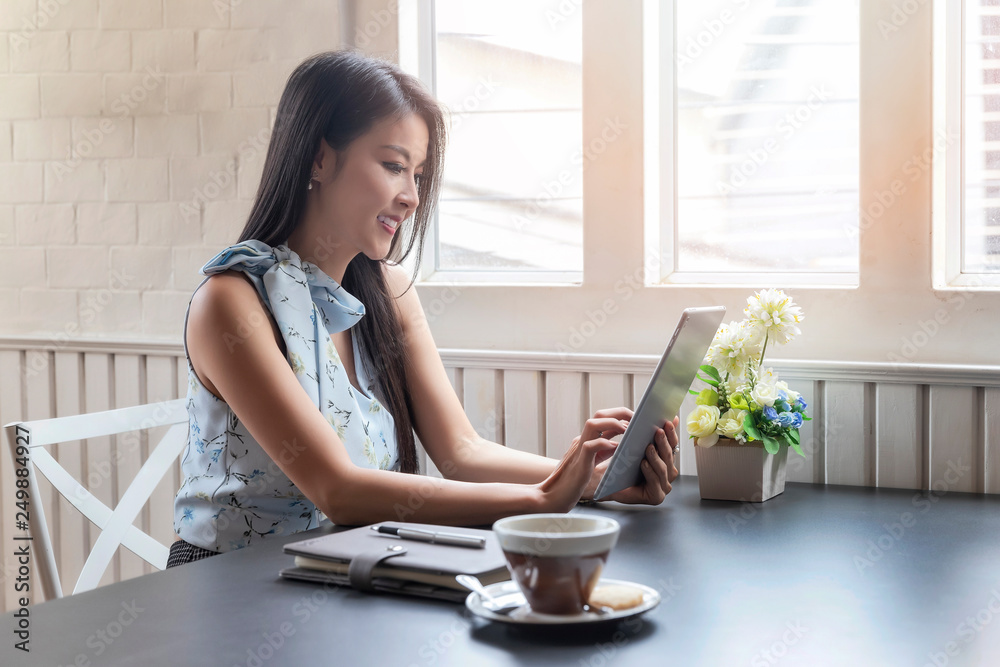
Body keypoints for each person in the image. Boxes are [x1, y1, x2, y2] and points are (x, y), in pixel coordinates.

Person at [168, 50, 679, 567]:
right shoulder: (232, 301)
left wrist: (590, 481)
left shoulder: (389, 293)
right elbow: (336, 490)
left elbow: (462, 453)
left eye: (418, 174)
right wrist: (545, 500)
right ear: (319, 158)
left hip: (349, 571)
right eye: (393, 166)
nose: (412, 196)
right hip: (230, 590)